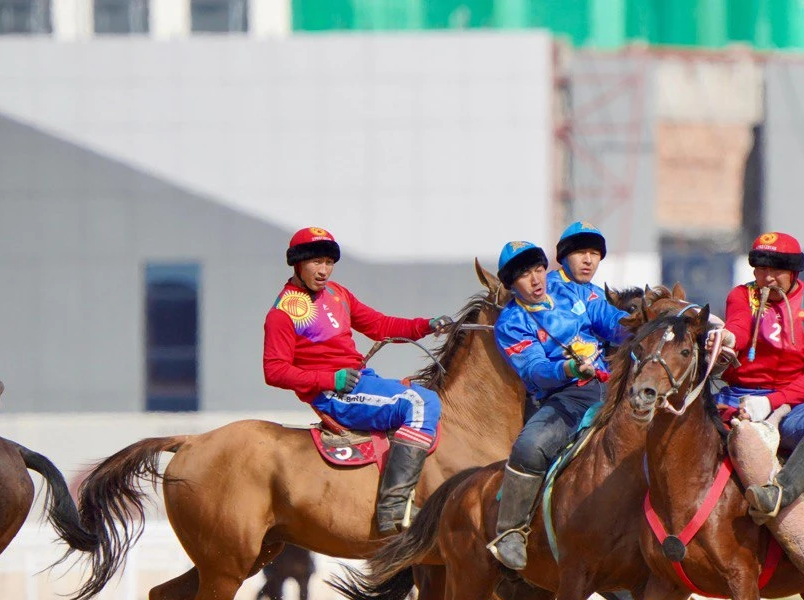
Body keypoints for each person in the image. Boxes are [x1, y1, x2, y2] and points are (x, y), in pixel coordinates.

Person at [263, 227, 452, 534]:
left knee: (426, 396)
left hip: (362, 381)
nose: (324, 270)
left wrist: (426, 325)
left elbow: (380, 325)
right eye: (315, 262)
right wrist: (331, 379)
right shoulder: (282, 313)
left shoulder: (338, 293)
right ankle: (393, 507)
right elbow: (274, 371)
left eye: (328, 262)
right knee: (421, 403)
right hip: (334, 394)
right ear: (297, 264)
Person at [487, 239, 630, 571]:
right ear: (510, 285)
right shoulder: (510, 323)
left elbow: (611, 320)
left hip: (611, 388)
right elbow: (534, 370)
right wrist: (568, 368)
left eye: (538, 269)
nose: (536, 280)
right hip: (565, 397)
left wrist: (653, 321)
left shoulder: (570, 292)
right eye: (524, 275)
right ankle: (510, 531)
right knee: (528, 446)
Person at [713, 231, 804, 517]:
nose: (767, 278)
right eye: (761, 269)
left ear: (793, 272)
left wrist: (770, 402)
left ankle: (782, 490)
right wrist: (727, 338)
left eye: (776, 270)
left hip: (788, 411)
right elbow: (739, 328)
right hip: (733, 400)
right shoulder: (742, 295)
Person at [551, 220, 608, 295]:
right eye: (581, 252)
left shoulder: (603, 298)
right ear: (563, 257)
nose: (588, 260)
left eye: (594, 253)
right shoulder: (544, 293)